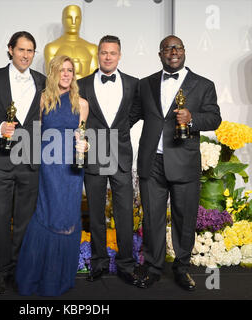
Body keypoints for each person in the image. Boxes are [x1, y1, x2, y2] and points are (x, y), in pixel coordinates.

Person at [130, 35, 222, 290]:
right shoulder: (145, 84)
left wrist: (192, 119)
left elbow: (214, 118)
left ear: (184, 51)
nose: (173, 51)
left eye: (177, 47)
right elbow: (131, 116)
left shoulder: (203, 85)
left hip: (183, 161)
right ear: (159, 54)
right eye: (167, 48)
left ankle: (182, 268)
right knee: (152, 219)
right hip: (152, 162)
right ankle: (152, 267)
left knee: (184, 218)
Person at [0, 31, 46, 294]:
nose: (26, 55)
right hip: (1, 161)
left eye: (30, 51)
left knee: (26, 220)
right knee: (3, 217)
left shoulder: (42, 81)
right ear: (10, 50)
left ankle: (21, 270)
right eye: (21, 50)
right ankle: (2, 271)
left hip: (30, 160)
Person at [15, 55, 89, 296]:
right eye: (61, 70)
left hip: (72, 168)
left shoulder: (82, 103)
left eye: (70, 70)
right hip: (49, 167)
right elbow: (33, 133)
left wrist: (85, 146)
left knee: (68, 218)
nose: (66, 74)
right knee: (48, 215)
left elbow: (82, 134)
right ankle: (37, 277)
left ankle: (59, 279)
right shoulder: (43, 99)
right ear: (53, 73)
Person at [78, 35, 140, 285]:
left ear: (119, 55)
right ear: (98, 54)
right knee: (95, 212)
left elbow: (136, 112)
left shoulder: (134, 84)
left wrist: (120, 130)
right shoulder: (81, 84)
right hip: (93, 154)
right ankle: (99, 262)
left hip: (121, 154)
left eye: (112, 53)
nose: (107, 57)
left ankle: (126, 264)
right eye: (103, 52)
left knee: (124, 212)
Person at [44, 4, 98, 79]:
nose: (73, 22)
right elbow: (51, 77)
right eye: (69, 18)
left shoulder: (92, 48)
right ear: (62, 20)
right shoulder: (52, 48)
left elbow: (93, 78)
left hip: (85, 90)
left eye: (77, 18)